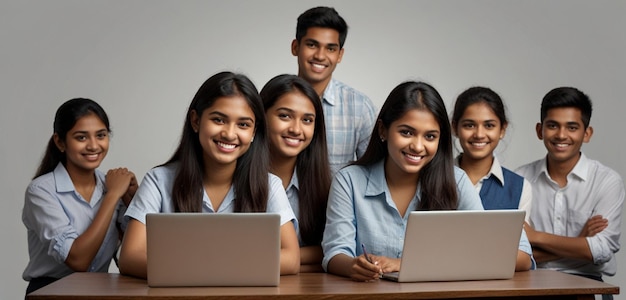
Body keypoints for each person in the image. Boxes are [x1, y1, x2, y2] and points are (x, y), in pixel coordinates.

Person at [118, 72, 300, 279]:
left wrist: (198, 267)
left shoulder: (269, 185)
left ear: (253, 132)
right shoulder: (158, 181)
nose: (230, 134)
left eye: (243, 124)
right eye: (219, 120)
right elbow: (130, 257)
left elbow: (291, 259)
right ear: (196, 121)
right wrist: (228, 267)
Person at [322, 81, 486, 282]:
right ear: (383, 130)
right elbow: (335, 252)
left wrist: (401, 264)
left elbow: (480, 251)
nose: (417, 146)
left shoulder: (456, 181)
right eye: (406, 132)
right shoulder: (349, 181)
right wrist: (353, 266)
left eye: (430, 136)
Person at [516, 87, 624, 299]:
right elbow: (510, 255)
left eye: (572, 127)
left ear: (587, 133)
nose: (561, 135)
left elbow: (601, 251)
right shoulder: (520, 178)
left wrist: (537, 237)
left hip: (586, 284)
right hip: (531, 284)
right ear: (540, 130)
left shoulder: (607, 181)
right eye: (553, 125)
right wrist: (579, 242)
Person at [22, 98, 137, 296]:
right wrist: (113, 196)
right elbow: (78, 260)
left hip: (100, 292)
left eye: (101, 135)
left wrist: (133, 200)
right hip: (51, 292)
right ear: (60, 142)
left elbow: (137, 254)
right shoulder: (41, 191)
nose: (93, 146)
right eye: (81, 137)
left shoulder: (112, 184)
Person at [451, 86, 535, 271]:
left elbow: (520, 253)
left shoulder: (519, 187)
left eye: (489, 125)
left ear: (502, 129)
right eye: (469, 125)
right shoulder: (435, 179)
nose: (479, 134)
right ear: (454, 127)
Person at [291, 6, 377, 174]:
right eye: (312, 44)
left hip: (336, 201)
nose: (320, 56)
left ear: (340, 55)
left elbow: (372, 175)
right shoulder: (273, 101)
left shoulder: (360, 108)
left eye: (330, 48)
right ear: (295, 47)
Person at [260, 74, 332, 273]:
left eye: (307, 120)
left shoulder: (325, 185)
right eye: (284, 116)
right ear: (260, 116)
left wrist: (290, 260)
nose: (296, 129)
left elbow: (331, 248)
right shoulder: (236, 178)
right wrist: (302, 261)